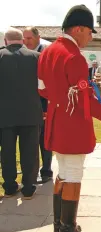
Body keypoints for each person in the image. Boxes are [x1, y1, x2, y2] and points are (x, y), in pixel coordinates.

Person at [37, 5, 101, 232]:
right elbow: (87, 100)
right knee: (73, 175)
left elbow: (41, 88)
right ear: (79, 29)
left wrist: (59, 101)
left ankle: (60, 228)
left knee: (62, 174)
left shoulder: (48, 52)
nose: (91, 37)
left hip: (55, 120)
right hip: (72, 125)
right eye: (90, 32)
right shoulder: (73, 57)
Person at [0, 27, 42, 199]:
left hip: (4, 113)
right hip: (31, 112)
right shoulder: (37, 57)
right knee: (30, 152)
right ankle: (29, 187)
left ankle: (9, 186)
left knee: (7, 152)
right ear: (23, 41)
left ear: (5, 41)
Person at [23, 26, 53, 183]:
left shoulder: (45, 52)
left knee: (45, 139)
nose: (26, 41)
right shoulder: (22, 53)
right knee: (30, 139)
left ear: (37, 37)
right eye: (24, 38)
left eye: (29, 38)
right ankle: (32, 173)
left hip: (43, 103)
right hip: (28, 102)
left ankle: (47, 170)